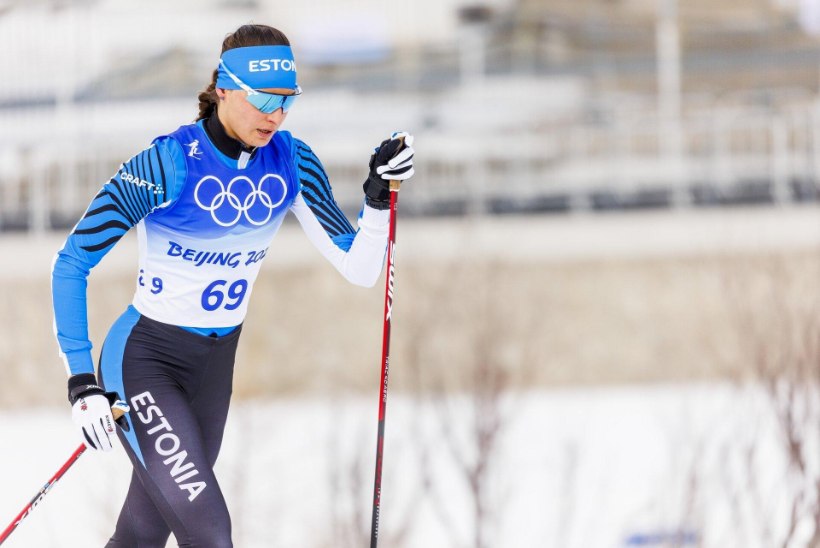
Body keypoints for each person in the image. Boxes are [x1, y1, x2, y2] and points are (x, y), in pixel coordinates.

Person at [51, 23, 415, 547]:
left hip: (214, 367)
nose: (275, 114)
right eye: (262, 97)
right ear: (222, 87)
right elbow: (71, 263)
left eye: (287, 100)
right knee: (211, 533)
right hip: (145, 360)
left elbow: (359, 267)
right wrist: (82, 383)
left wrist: (378, 200)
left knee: (142, 531)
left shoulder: (290, 160)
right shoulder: (168, 164)